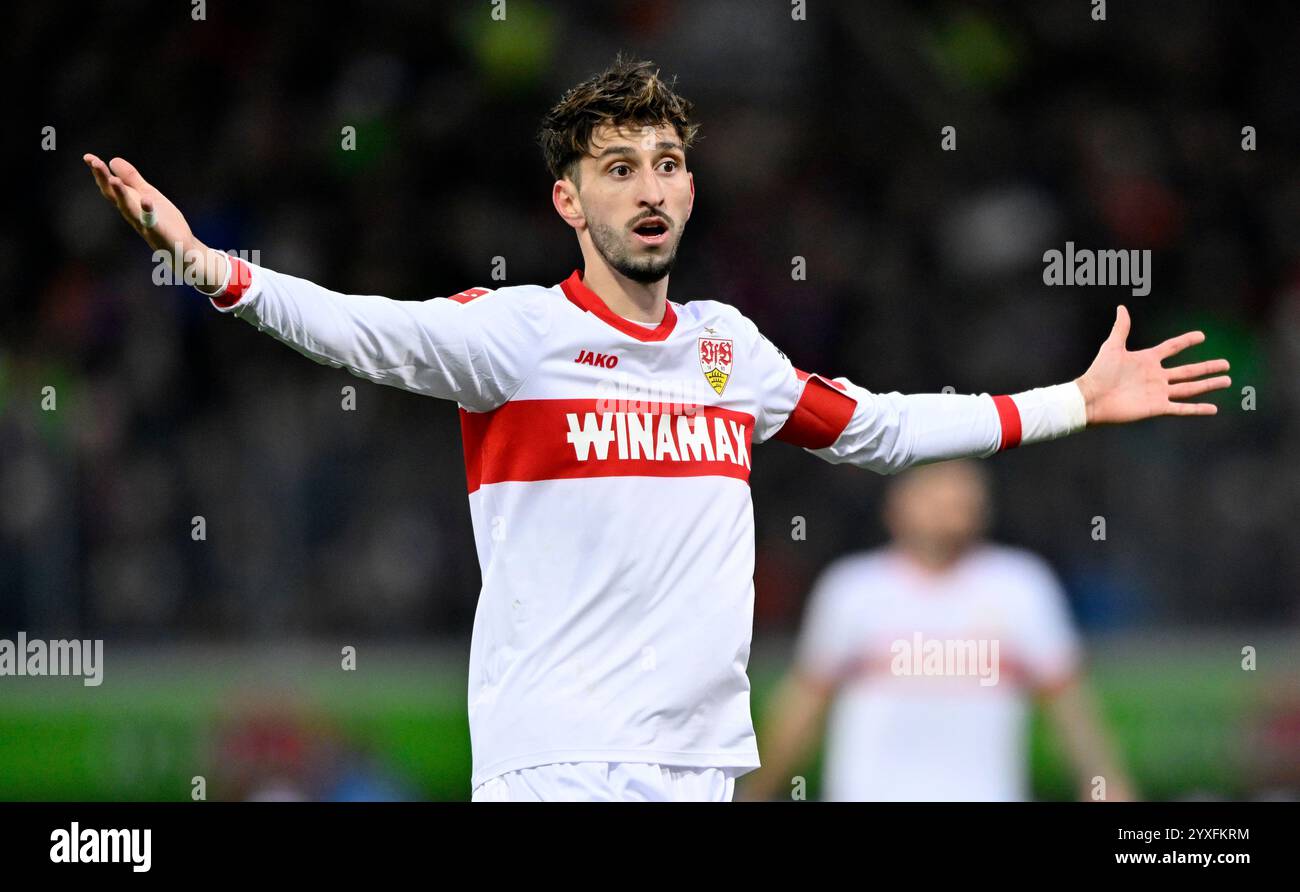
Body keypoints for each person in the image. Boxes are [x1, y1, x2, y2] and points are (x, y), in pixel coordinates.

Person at [83, 57, 1228, 802]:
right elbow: (358, 331)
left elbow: (872, 425)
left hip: (701, 766)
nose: (650, 187)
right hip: (559, 766)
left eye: (668, 164)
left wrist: (1072, 400)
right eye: (617, 167)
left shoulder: (728, 349)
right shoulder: (514, 336)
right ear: (567, 202)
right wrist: (208, 267)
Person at [739, 460, 1135, 802]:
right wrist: (759, 790)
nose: (953, 511)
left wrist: (1104, 782)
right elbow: (804, 704)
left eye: (964, 500)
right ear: (898, 506)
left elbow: (1069, 702)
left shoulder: (1021, 586)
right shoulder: (853, 589)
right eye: (938, 499)